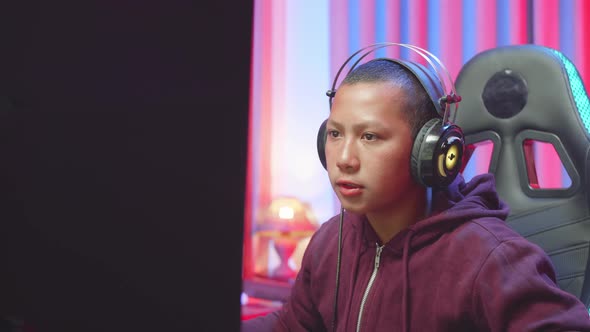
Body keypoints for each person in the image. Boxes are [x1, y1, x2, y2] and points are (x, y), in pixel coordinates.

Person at [242, 47, 590, 331]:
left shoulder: (494, 258)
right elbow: (292, 326)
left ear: (431, 150)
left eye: (369, 137)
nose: (345, 158)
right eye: (335, 134)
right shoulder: (332, 242)